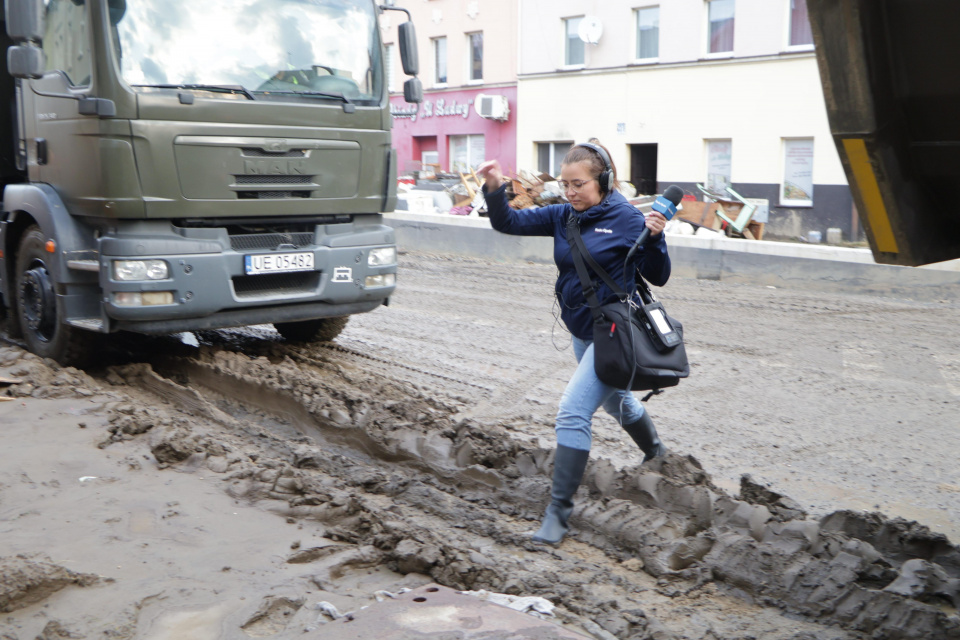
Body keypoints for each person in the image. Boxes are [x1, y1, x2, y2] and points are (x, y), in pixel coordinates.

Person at [476, 142, 672, 545]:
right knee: (618, 402)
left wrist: (654, 238)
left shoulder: (625, 218)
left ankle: (557, 516)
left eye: (578, 184)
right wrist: (495, 187)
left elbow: (659, 275)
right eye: (565, 184)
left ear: (603, 181)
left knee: (571, 412)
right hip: (584, 335)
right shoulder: (563, 215)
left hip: (615, 335)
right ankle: (657, 454)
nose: (569, 192)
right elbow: (509, 224)